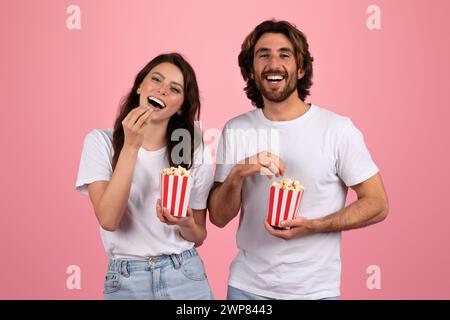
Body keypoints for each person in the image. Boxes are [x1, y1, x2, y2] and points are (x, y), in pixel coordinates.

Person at [208, 20, 389, 300]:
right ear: (251, 71)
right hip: (247, 289)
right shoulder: (236, 129)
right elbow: (219, 218)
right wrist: (238, 173)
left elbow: (377, 204)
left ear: (300, 68)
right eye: (263, 54)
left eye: (285, 54)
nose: (273, 63)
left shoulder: (337, 129)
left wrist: (315, 226)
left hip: (316, 292)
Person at [75, 53, 214, 300]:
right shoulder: (100, 142)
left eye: (174, 89)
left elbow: (199, 235)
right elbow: (108, 219)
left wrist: (184, 222)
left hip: (184, 275)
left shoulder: (191, 149)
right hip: (127, 280)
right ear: (140, 85)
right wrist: (130, 146)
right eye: (156, 80)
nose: (161, 91)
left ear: (181, 105)